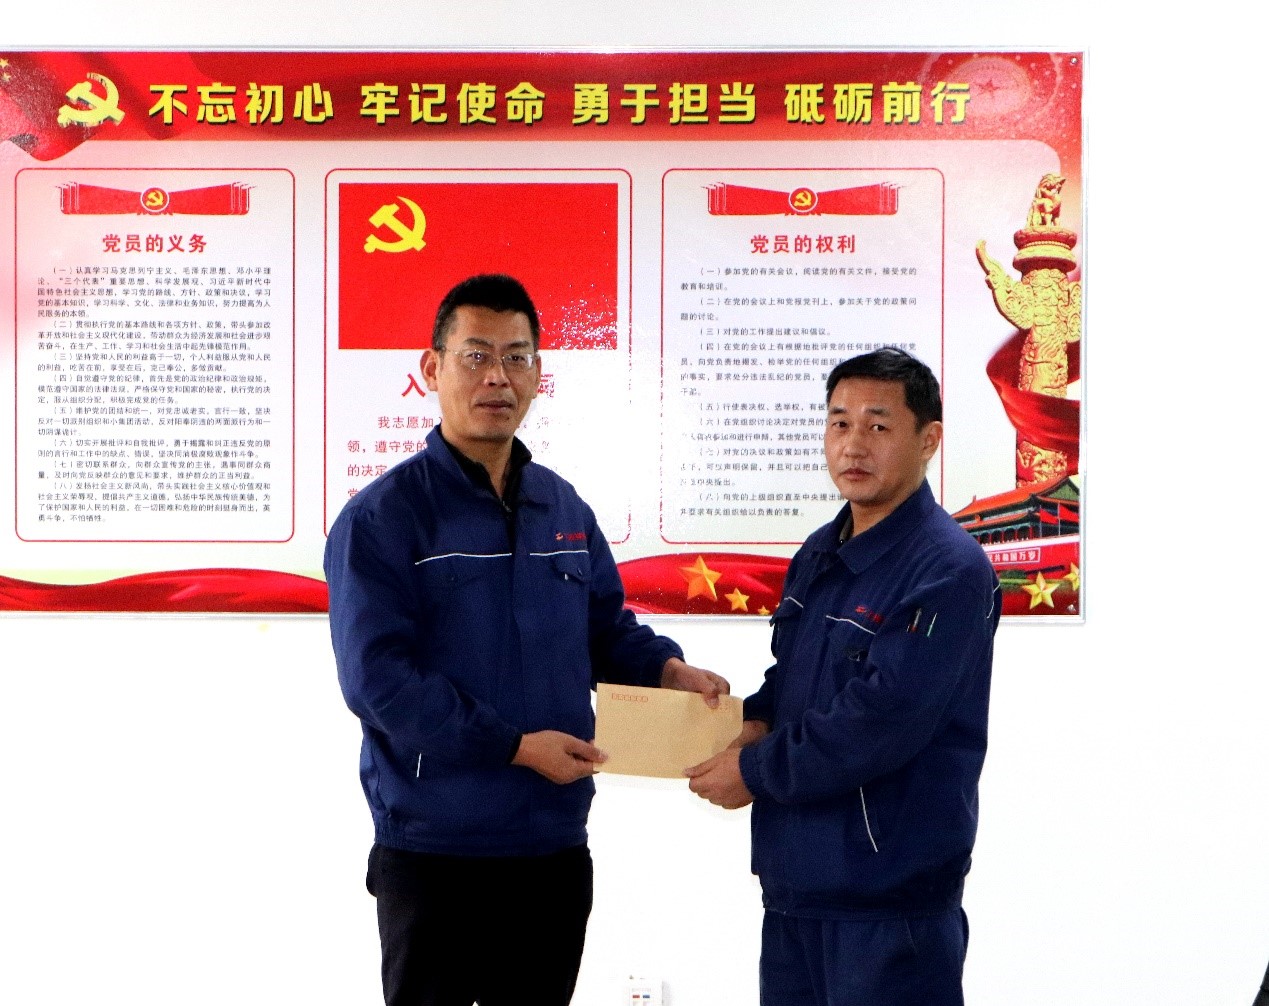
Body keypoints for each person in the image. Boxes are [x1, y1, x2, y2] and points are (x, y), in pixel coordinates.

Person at [325, 274, 727, 1006]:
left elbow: (603, 629)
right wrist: (511, 747)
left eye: (516, 357)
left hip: (550, 843)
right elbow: (377, 681)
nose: (497, 378)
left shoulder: (561, 508)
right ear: (432, 368)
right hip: (434, 849)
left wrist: (666, 670)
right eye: (475, 356)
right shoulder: (383, 518)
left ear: (538, 373)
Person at [686, 347, 1000, 1006]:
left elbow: (881, 720)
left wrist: (753, 770)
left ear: (928, 440)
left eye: (878, 425)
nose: (853, 444)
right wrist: (750, 722)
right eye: (839, 423)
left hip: (889, 903)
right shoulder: (820, 552)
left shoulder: (948, 570)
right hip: (795, 886)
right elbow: (793, 678)